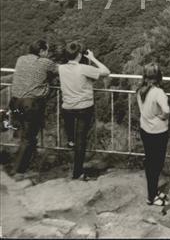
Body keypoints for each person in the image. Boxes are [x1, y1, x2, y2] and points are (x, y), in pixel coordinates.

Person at [58, 41, 110, 180]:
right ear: (79, 55)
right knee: (81, 141)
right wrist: (92, 58)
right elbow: (106, 71)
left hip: (67, 108)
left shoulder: (61, 68)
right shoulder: (83, 68)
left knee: (73, 139)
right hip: (83, 108)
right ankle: (78, 173)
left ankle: (70, 141)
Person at [9, 40, 58, 176]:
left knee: (24, 135)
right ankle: (18, 171)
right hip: (30, 104)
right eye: (47, 51)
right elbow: (61, 70)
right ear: (41, 51)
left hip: (15, 101)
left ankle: (25, 163)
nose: (48, 54)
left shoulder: (21, 59)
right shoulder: (44, 62)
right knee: (28, 138)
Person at [136, 63, 170, 206]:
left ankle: (153, 191)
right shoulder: (158, 92)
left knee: (150, 162)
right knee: (156, 164)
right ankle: (151, 197)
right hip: (158, 132)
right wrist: (162, 117)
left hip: (145, 129)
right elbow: (167, 111)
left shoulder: (140, 90)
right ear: (158, 76)